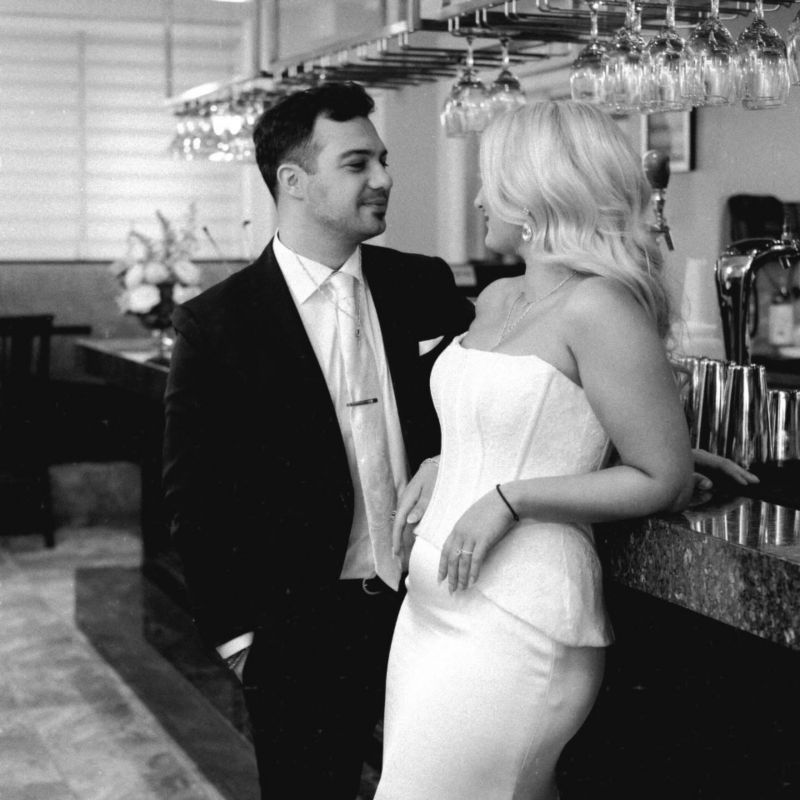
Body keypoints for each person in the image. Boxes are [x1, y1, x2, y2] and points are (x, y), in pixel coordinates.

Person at [374, 100, 701, 800]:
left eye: (489, 181)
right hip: (430, 608)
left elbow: (663, 476)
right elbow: (516, 422)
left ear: (533, 195)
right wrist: (445, 461)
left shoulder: (600, 307)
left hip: (517, 620)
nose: (477, 199)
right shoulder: (497, 297)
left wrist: (510, 499)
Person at [161, 81, 475, 800]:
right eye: (358, 163)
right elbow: (194, 496)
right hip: (301, 628)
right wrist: (239, 640)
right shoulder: (216, 324)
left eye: (383, 160)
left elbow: (486, 401)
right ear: (294, 182)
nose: (384, 178)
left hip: (431, 605)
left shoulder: (422, 283)